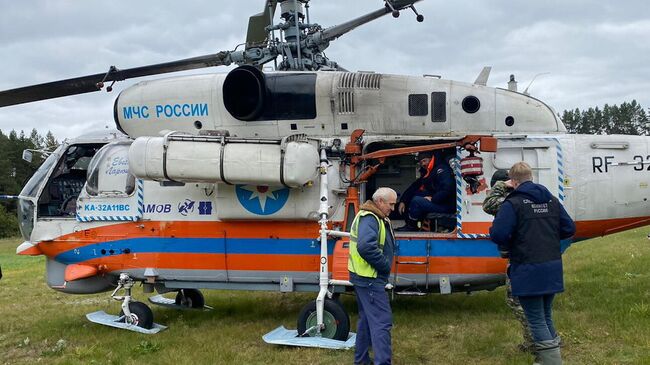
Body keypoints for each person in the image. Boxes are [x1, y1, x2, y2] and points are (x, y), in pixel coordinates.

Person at [490, 162, 575, 365]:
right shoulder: (551, 200)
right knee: (545, 315)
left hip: (527, 267)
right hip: (552, 266)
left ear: (514, 181)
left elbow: (499, 234)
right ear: (531, 178)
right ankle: (550, 358)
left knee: (536, 319)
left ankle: (552, 362)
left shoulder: (513, 203)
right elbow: (569, 228)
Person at [483, 170, 535, 354]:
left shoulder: (510, 202)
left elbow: (488, 205)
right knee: (537, 303)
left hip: (520, 258)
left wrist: (502, 186)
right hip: (537, 256)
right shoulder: (533, 198)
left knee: (517, 301)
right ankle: (543, 340)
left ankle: (536, 342)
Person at [348, 187, 397, 365]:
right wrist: (384, 266)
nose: (392, 208)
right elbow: (366, 246)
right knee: (382, 323)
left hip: (362, 277)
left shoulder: (371, 216)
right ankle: (382, 362)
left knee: (367, 320)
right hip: (370, 279)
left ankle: (361, 361)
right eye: (390, 204)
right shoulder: (370, 218)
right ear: (380, 202)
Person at [397, 150, 455, 231]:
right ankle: (410, 224)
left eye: (425, 161)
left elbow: (448, 189)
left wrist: (433, 198)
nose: (423, 164)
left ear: (431, 158)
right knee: (413, 197)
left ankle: (412, 226)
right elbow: (414, 187)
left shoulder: (441, 170)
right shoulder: (428, 172)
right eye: (421, 162)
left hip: (446, 206)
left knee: (417, 201)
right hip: (439, 202)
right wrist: (403, 200)